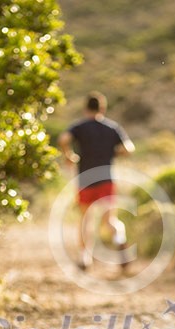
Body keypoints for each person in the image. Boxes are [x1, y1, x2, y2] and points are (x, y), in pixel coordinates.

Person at [58, 91, 135, 271]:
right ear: (103, 108)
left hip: (85, 179)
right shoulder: (112, 127)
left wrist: (69, 156)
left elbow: (63, 139)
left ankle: (85, 259)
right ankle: (120, 241)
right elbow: (129, 148)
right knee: (110, 220)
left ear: (86, 109)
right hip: (106, 179)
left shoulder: (79, 127)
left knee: (85, 220)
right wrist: (113, 153)